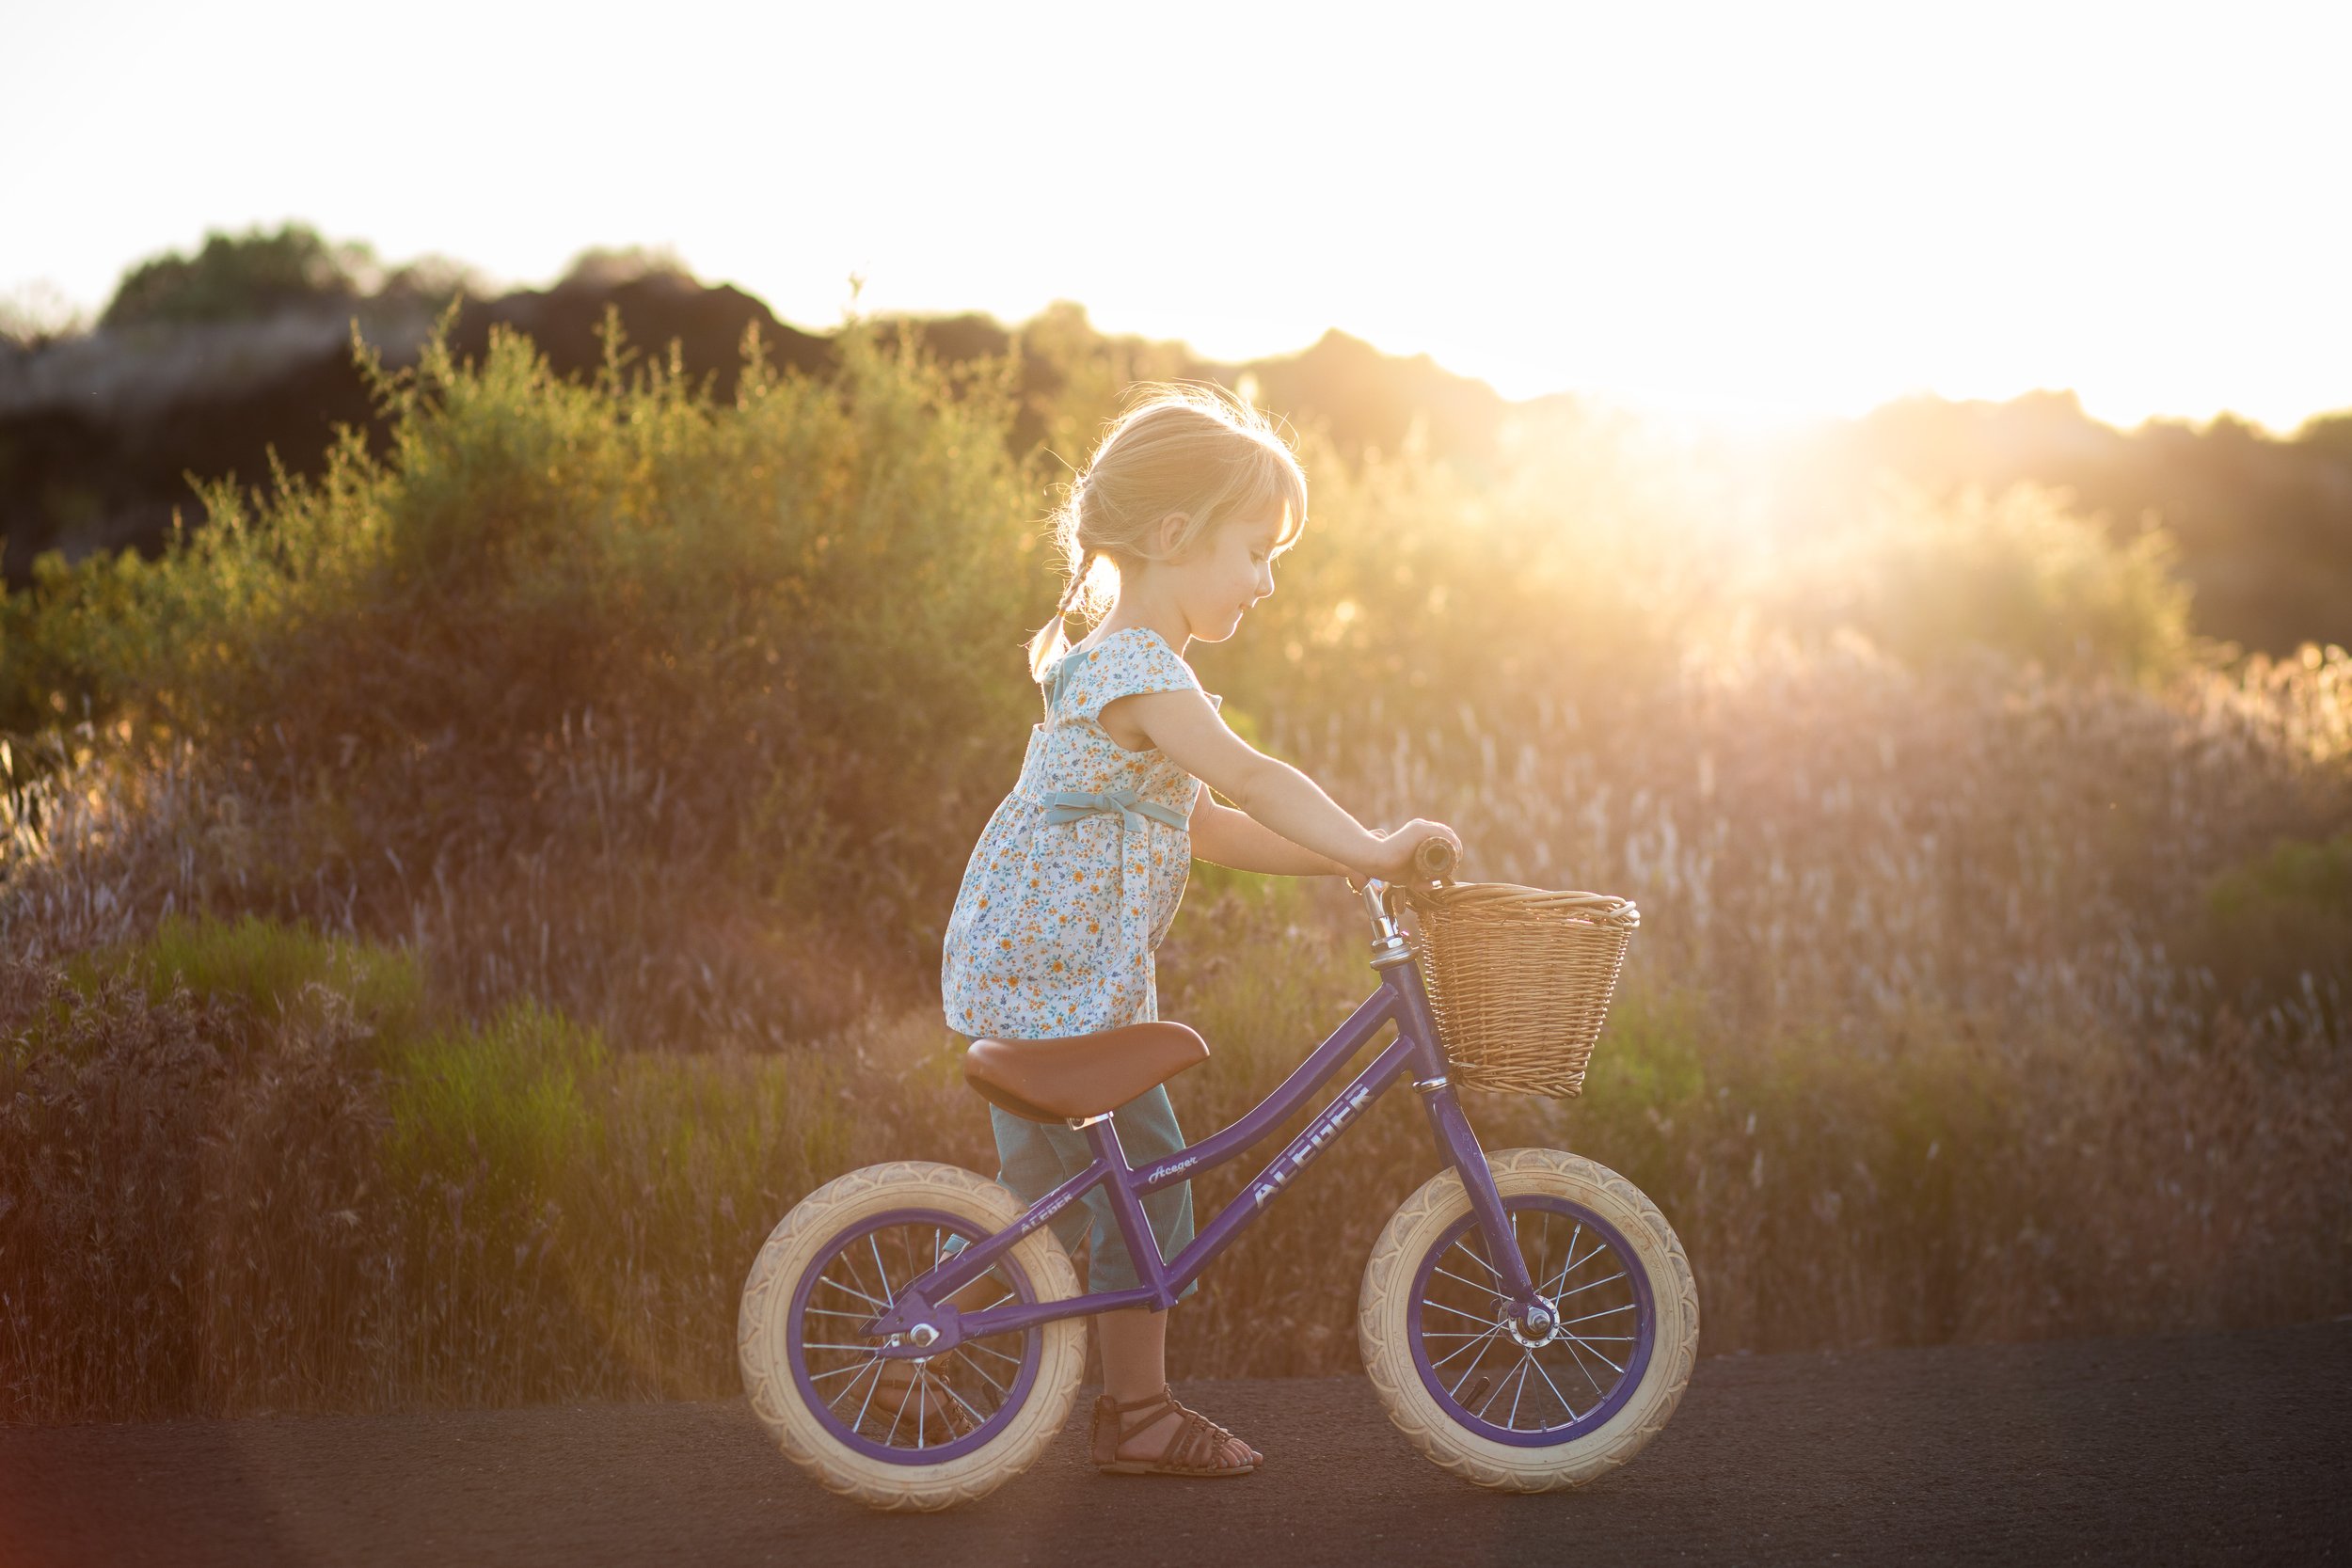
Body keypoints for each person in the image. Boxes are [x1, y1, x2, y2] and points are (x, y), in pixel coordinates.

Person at [938, 382, 1461, 1479]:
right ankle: (1118, 1407)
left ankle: (956, 1352)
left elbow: (1212, 823)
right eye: (1254, 552)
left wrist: (1349, 859)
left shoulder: (1125, 666)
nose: (1267, 581)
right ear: (1173, 537)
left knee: (1071, 1192)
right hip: (1059, 981)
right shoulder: (1139, 668)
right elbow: (1248, 776)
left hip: (1061, 975)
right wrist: (1373, 844)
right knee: (1127, 1186)